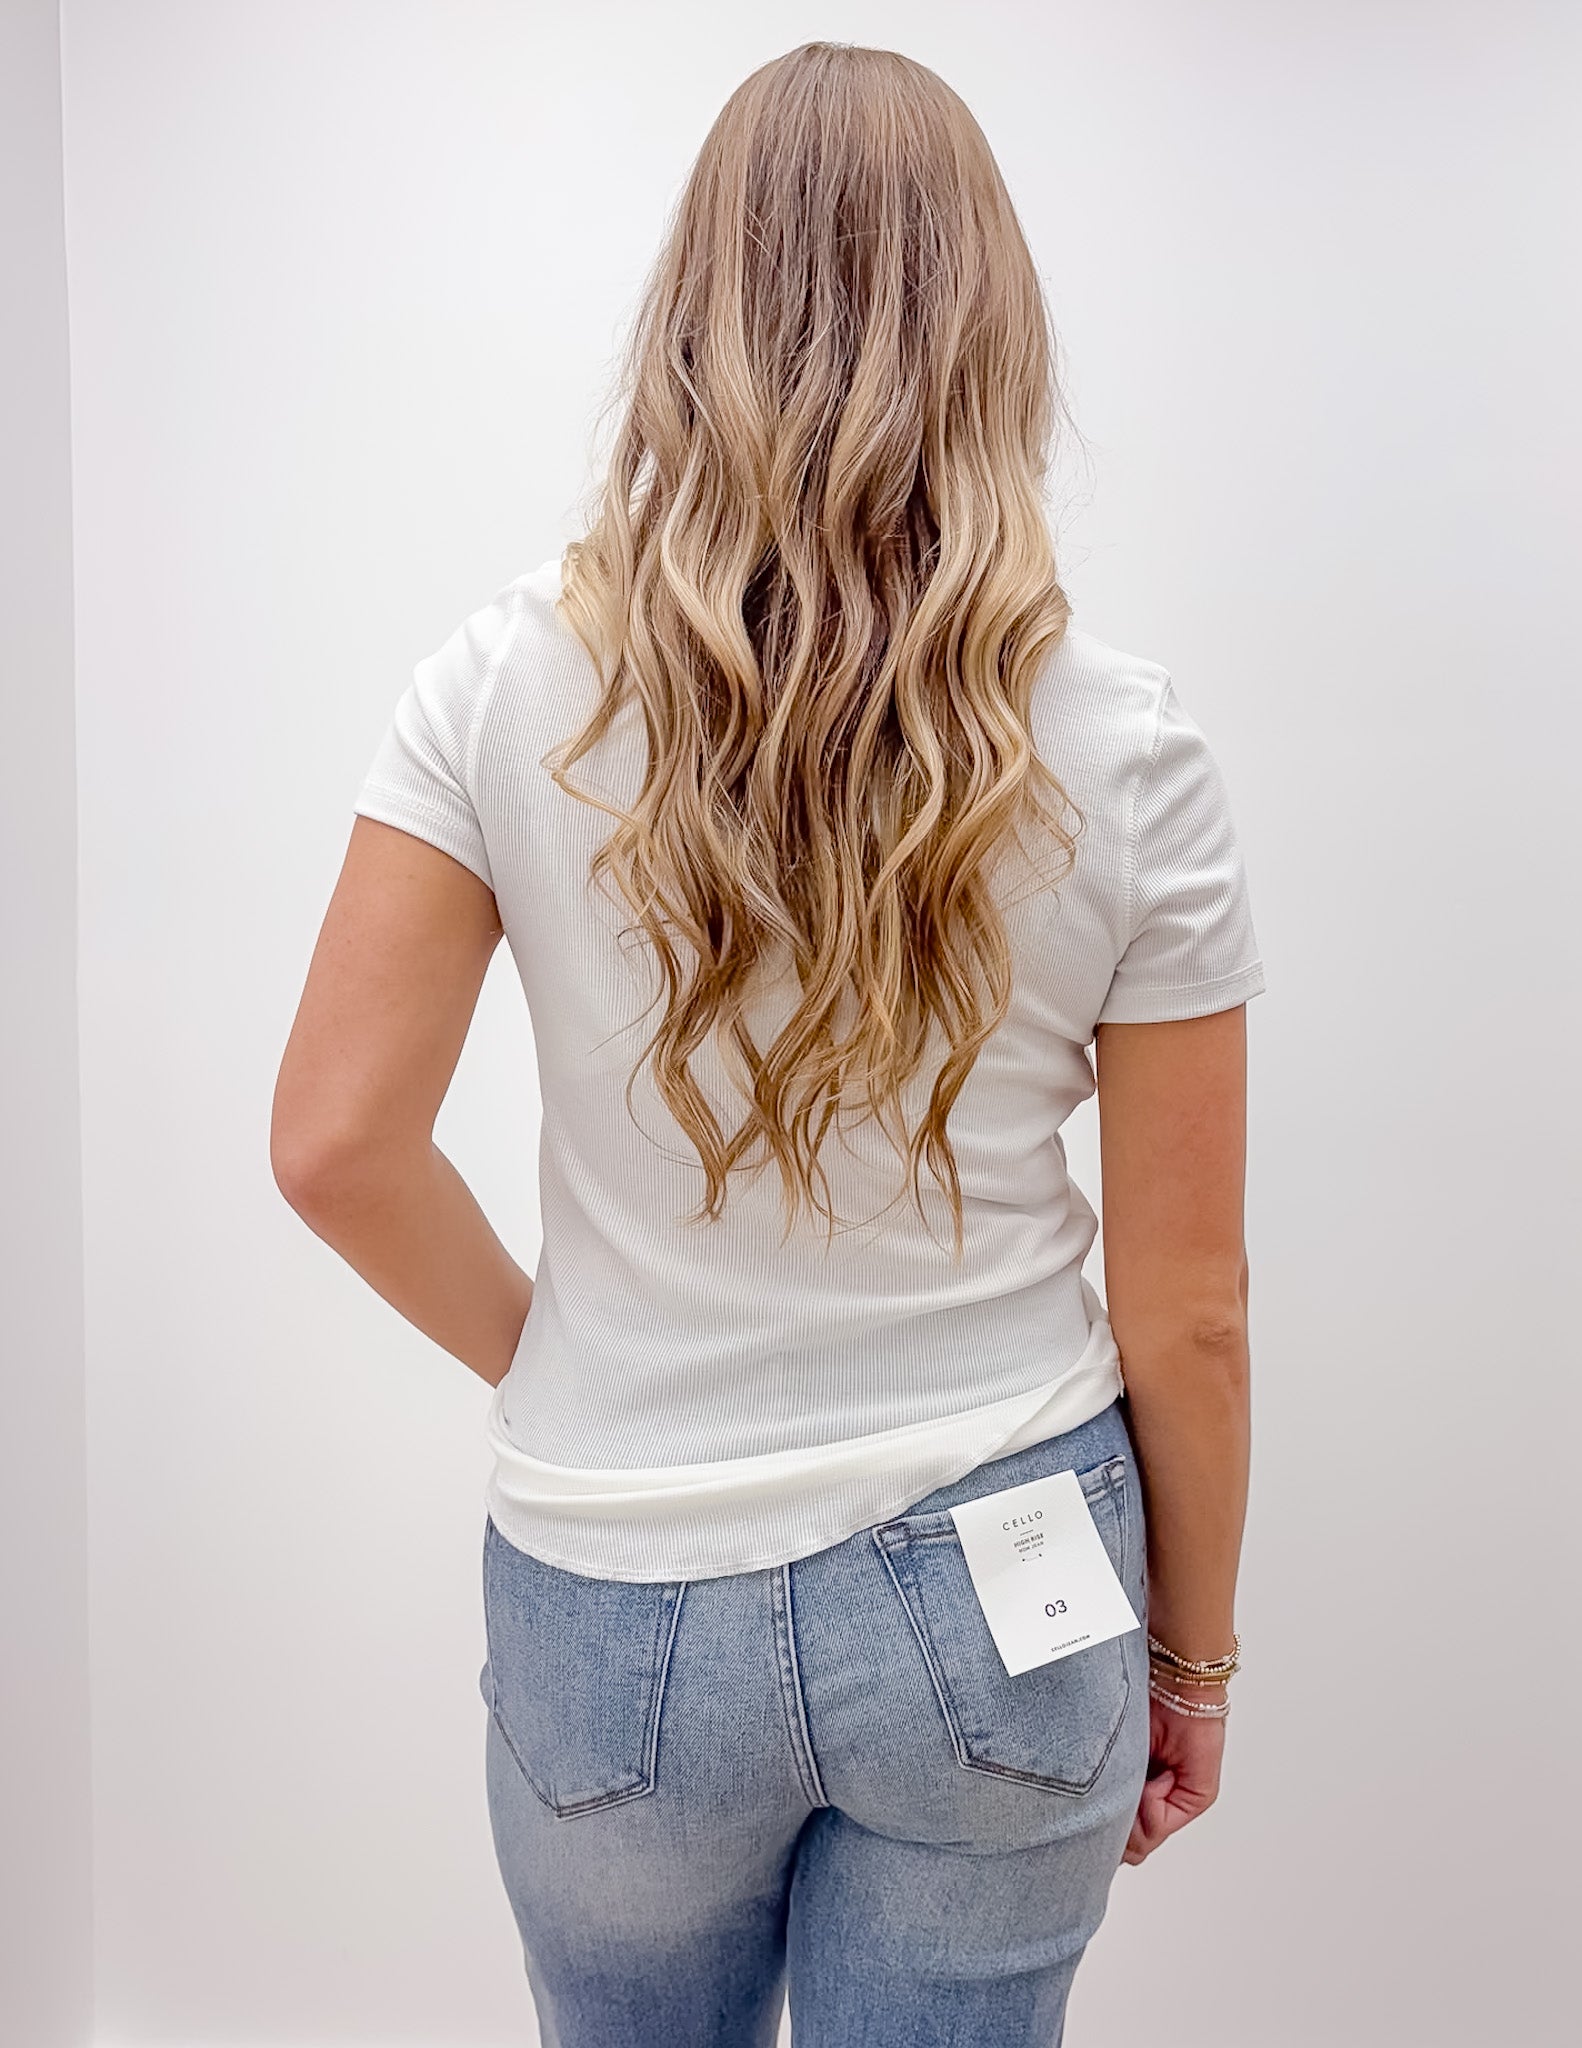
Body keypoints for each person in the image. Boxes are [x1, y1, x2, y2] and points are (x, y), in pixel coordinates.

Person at [272, 39, 1266, 2048]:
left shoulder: (497, 687)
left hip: (611, 1589)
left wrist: (560, 1356)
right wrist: (1194, 1663)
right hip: (1006, 1576)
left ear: (689, 311)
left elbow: (334, 1145)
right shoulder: (1128, 748)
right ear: (993, 332)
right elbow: (1192, 1313)